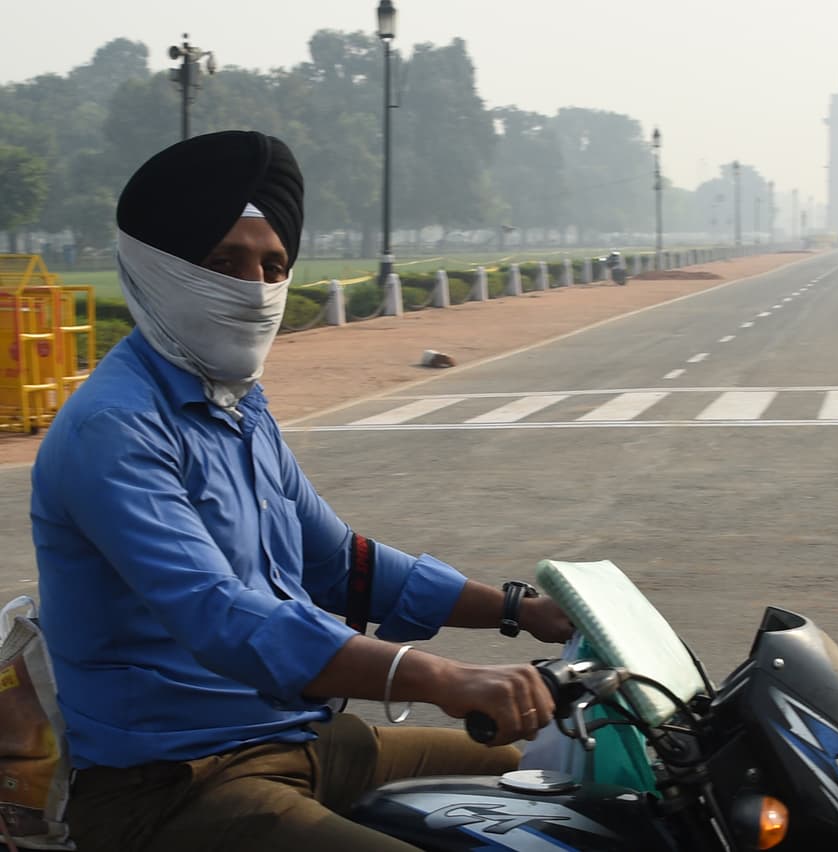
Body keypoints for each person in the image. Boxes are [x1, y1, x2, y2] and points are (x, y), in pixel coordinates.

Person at [30, 130, 574, 852]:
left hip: (300, 740)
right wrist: (443, 678)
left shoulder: (240, 408)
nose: (253, 289)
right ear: (158, 270)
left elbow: (343, 565)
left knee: (547, 784)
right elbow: (223, 615)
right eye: (223, 263)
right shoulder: (116, 428)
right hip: (174, 782)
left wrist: (521, 610)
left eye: (272, 264)